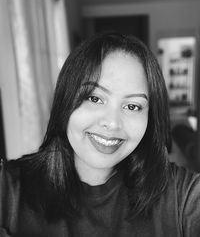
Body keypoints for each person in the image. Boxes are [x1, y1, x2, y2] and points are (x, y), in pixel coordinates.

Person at [0, 32, 200, 237]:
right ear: (65, 99)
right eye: (95, 98)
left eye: (132, 106)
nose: (112, 123)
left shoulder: (182, 196)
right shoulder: (8, 192)